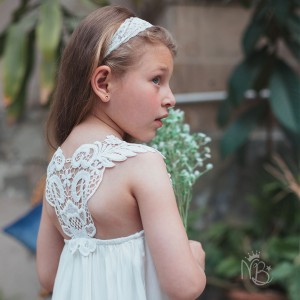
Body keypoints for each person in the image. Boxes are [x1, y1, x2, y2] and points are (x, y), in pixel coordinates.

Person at [36, 5, 206, 300]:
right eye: (156, 80)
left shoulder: (57, 169)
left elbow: (49, 276)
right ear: (103, 83)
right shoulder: (142, 164)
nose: (171, 98)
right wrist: (196, 258)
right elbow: (184, 286)